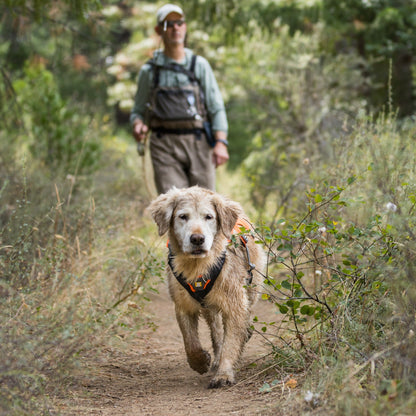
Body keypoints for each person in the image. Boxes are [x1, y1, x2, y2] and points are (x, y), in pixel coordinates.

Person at [130, 3, 229, 194]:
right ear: (159, 30)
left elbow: (216, 107)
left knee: (205, 206)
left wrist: (221, 143)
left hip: (199, 143)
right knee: (173, 206)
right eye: (169, 24)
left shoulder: (199, 65)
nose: (175, 28)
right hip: (163, 145)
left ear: (185, 27)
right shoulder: (149, 71)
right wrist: (137, 125)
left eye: (179, 23)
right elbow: (138, 111)